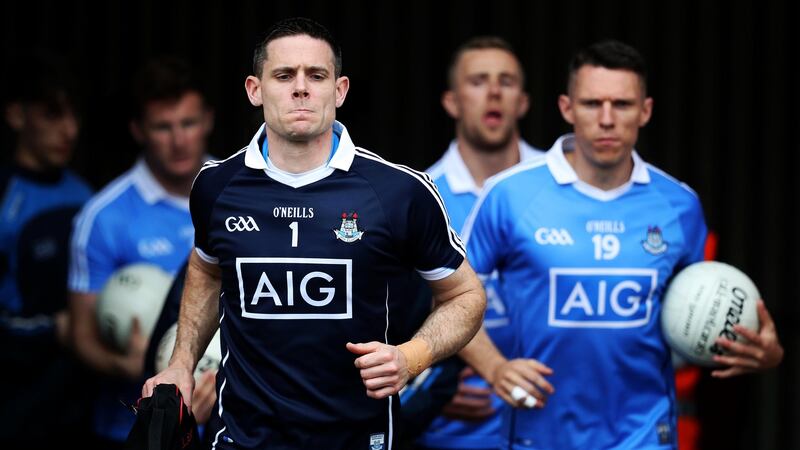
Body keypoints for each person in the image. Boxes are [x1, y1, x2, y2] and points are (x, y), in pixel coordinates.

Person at [142, 17, 486, 450]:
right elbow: (208, 271)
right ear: (255, 89)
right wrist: (180, 364)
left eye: (316, 76)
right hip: (244, 438)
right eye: (284, 75)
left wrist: (411, 356)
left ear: (339, 90)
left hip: (359, 438)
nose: (300, 88)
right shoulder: (216, 186)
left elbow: (466, 296)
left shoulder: (398, 191)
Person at [459, 40, 784, 449]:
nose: (607, 119)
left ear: (645, 111)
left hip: (645, 434)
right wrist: (494, 366)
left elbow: (699, 312)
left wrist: (759, 352)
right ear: (567, 108)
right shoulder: (509, 195)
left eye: (623, 104)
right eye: (593, 104)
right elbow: (449, 294)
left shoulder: (679, 205)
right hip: (539, 433)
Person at [404, 36, 544, 450]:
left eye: (507, 81)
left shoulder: (559, 185)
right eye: (479, 81)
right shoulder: (418, 195)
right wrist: (428, 387)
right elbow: (390, 313)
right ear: (451, 101)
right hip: (451, 434)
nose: (495, 91)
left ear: (523, 101)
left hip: (551, 422)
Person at [68, 56, 214, 448]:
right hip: (128, 429)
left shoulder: (240, 194)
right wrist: (138, 364)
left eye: (188, 123)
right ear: (138, 130)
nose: (179, 139)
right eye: (162, 127)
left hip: (227, 425)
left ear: (209, 121)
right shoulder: (103, 216)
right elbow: (80, 336)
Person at [0, 51, 95, 448]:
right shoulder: (6, 201)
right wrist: (54, 330)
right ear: (18, 116)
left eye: (74, 115)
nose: (69, 130)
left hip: (80, 404)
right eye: (52, 115)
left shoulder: (87, 195)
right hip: (14, 403)